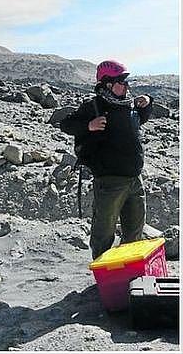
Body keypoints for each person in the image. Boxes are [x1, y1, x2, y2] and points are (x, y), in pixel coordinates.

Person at [60, 60, 153, 260]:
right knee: (104, 230)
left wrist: (148, 100)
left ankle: (129, 270)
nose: (126, 86)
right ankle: (103, 272)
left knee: (135, 229)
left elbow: (142, 117)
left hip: (135, 179)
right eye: (122, 81)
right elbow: (66, 124)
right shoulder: (94, 107)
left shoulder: (128, 105)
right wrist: (89, 125)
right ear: (108, 83)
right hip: (109, 181)